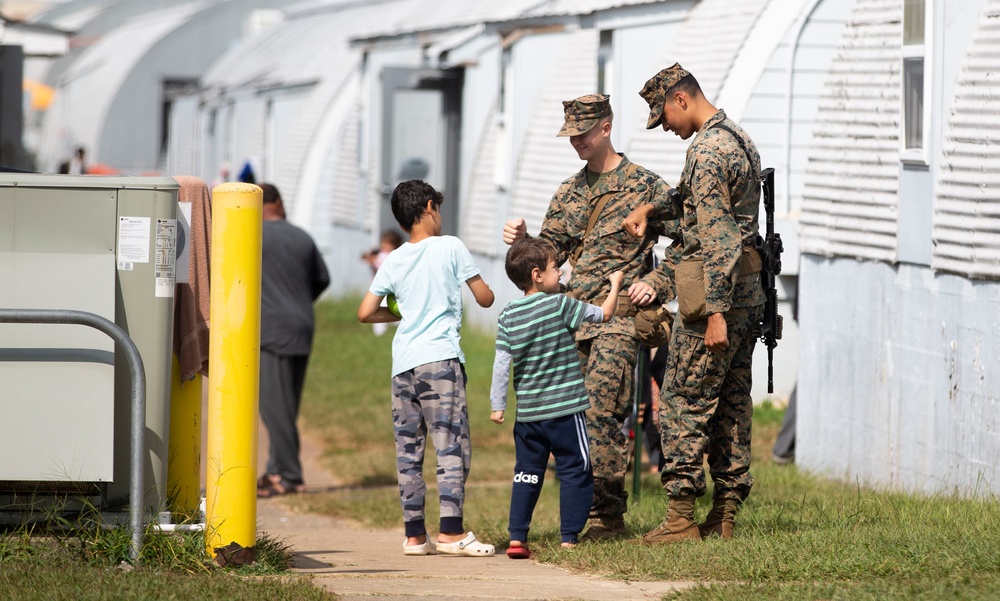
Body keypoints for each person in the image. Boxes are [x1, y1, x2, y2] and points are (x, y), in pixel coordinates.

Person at [503, 94, 675, 540]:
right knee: (568, 412)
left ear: (606, 127)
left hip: (620, 317)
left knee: (600, 409)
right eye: (570, 135)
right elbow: (548, 255)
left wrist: (658, 284)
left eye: (582, 133)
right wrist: (523, 241)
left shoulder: (646, 186)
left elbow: (691, 232)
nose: (576, 141)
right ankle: (576, 514)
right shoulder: (568, 191)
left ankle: (606, 517)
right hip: (574, 314)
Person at [625, 63, 765, 543]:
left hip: (715, 299)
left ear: (681, 99)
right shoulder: (735, 137)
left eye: (662, 116)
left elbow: (719, 240)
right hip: (750, 295)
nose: (664, 126)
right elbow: (690, 202)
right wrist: (649, 209)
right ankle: (723, 517)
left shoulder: (706, 151)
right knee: (730, 405)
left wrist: (715, 314)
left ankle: (681, 518)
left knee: (684, 400)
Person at [358, 179, 497, 557]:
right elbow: (485, 298)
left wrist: (403, 314)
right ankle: (451, 532)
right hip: (439, 360)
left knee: (409, 450)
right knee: (450, 443)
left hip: (403, 365)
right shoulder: (451, 246)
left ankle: (415, 535)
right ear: (432, 206)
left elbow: (365, 312)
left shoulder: (395, 259)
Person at [490, 238, 624, 557]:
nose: (561, 271)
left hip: (528, 417)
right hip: (565, 410)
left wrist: (498, 406)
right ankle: (569, 537)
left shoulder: (508, 315)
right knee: (576, 468)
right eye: (555, 268)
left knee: (526, 472)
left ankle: (517, 537)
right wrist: (616, 285)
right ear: (537, 274)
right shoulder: (559, 304)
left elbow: (500, 365)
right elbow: (604, 315)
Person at [257, 182, 331, 498]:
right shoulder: (302, 236)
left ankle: (289, 476)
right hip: (302, 324)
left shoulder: (251, 235)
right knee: (287, 405)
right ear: (279, 203)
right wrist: (298, 302)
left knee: (274, 407)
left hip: (271, 329)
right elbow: (323, 279)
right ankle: (275, 469)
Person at [361, 229, 405, 336]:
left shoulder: (389, 256)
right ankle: (380, 331)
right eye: (383, 243)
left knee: (378, 308)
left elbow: (376, 262)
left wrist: (371, 258)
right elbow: (364, 257)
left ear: (394, 245)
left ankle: (382, 331)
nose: (383, 246)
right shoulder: (387, 254)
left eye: (387, 243)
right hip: (382, 288)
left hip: (386, 288)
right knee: (387, 308)